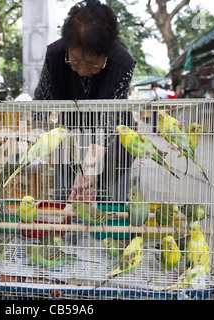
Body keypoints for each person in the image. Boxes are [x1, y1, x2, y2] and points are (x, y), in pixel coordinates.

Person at [34, 0, 136, 202]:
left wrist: (90, 168)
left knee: (110, 203)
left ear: (107, 52)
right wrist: (41, 142)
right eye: (75, 61)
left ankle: (110, 230)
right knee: (67, 199)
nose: (82, 70)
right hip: (71, 135)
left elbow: (110, 120)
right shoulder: (54, 55)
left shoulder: (122, 63)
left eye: (93, 64)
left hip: (113, 141)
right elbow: (40, 104)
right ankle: (69, 233)